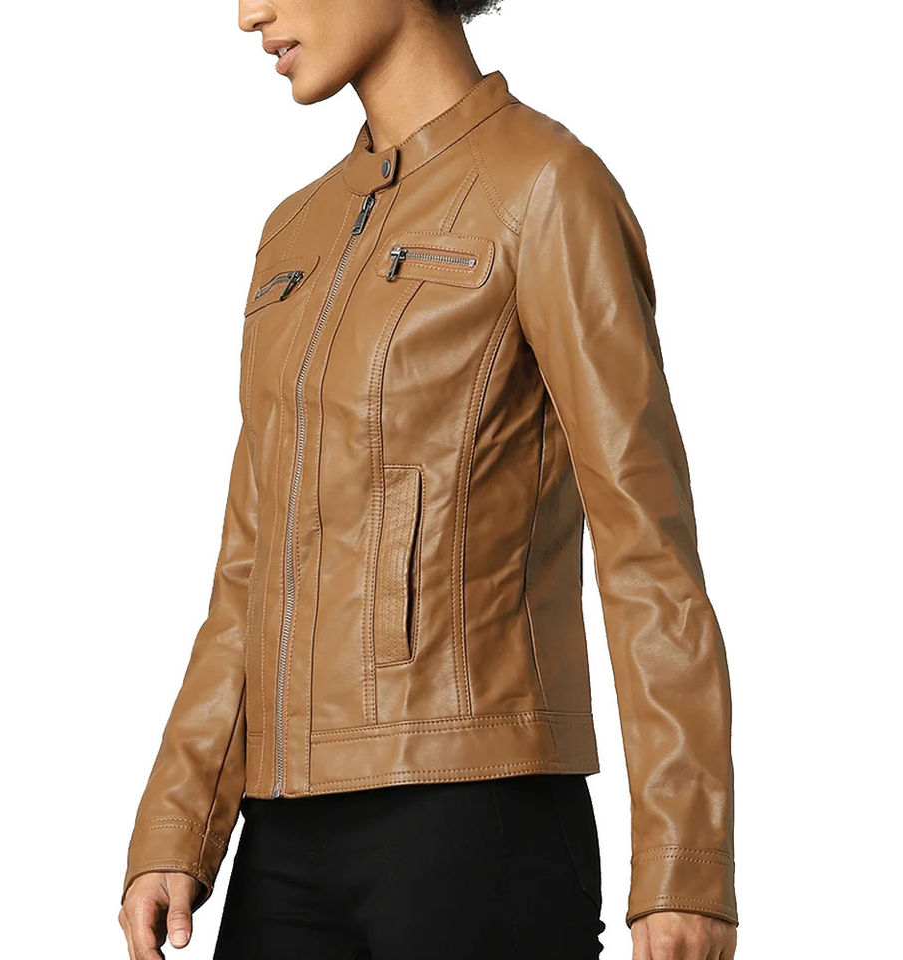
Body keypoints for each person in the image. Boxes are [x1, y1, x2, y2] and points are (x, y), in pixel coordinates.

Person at [117, 2, 739, 958]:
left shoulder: (546, 187)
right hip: (284, 838)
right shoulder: (296, 232)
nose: (249, 14)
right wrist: (179, 814)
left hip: (478, 820)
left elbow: (645, 547)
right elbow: (251, 564)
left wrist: (684, 862)